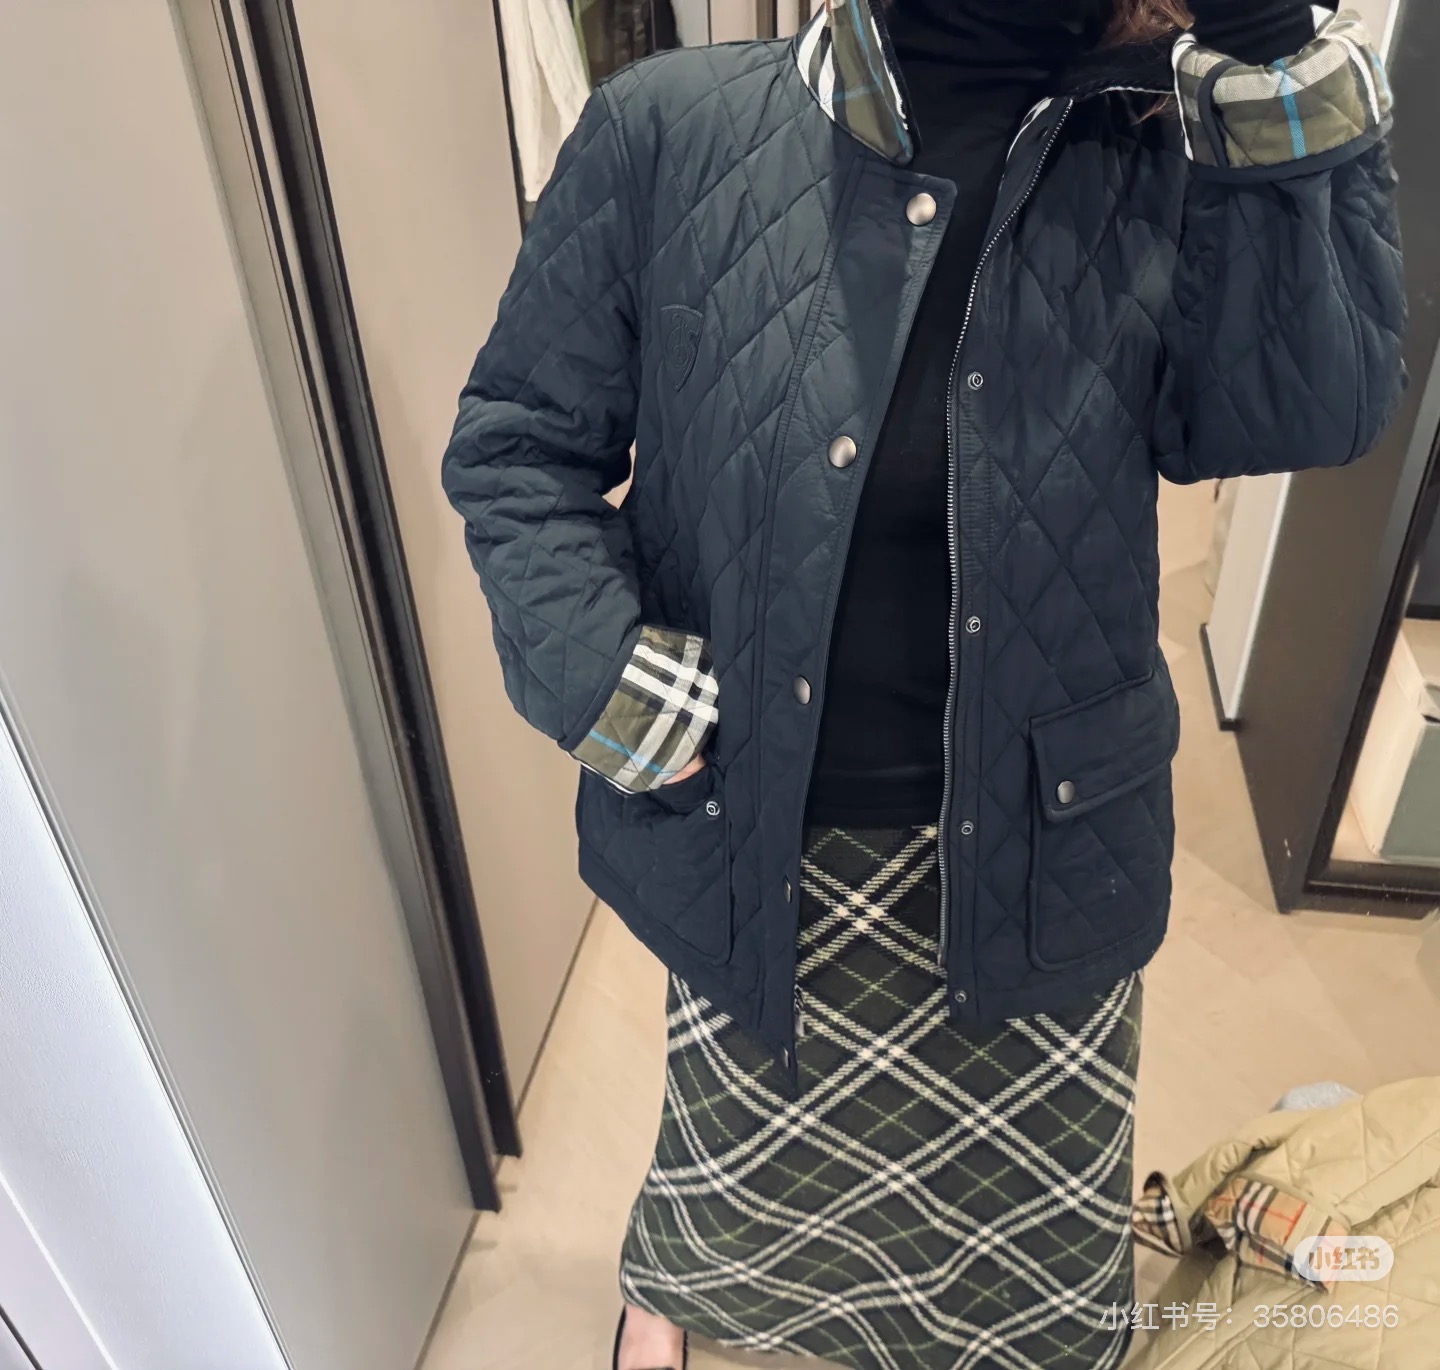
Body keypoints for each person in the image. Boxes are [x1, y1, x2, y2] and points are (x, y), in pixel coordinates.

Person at [441, 2, 1404, 1366]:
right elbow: (519, 446)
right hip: (754, 828)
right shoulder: (671, 130)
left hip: (1044, 845)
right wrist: (616, 689)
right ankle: (680, 1288)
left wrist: (1260, 52)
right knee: (732, 1168)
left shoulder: (1154, 151)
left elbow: (1313, 406)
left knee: (1035, 1252)